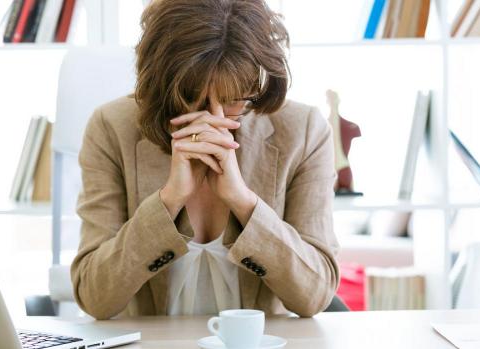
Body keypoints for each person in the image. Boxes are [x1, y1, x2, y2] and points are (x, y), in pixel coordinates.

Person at [71, 0, 340, 320]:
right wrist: (168, 201)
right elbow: (93, 296)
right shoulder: (112, 127)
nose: (214, 119)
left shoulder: (303, 131)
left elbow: (316, 294)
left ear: (254, 82)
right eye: (192, 97)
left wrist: (243, 202)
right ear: (161, 83)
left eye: (232, 100)